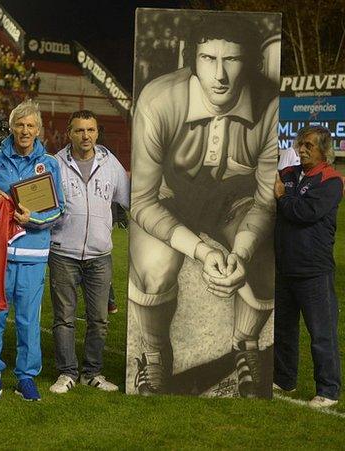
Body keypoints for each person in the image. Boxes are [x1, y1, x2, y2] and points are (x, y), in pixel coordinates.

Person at [129, 14, 278, 397]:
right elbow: (142, 200)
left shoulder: (270, 107)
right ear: (191, 58)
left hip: (233, 204)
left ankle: (245, 344)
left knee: (267, 257)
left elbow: (265, 200)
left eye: (232, 60)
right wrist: (199, 249)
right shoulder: (159, 100)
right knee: (154, 267)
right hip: (169, 201)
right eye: (209, 58)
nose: (220, 74)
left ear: (251, 63)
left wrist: (240, 253)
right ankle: (156, 354)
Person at [0, 100, 64, 401]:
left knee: (28, 321)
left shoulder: (50, 164)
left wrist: (34, 219)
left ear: (38, 130)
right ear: (11, 127)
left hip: (33, 256)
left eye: (30, 126)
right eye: (20, 125)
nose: (25, 131)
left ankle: (26, 377)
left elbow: (59, 209)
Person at [48, 110, 129, 394]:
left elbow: (129, 198)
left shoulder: (111, 164)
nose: (86, 136)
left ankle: (92, 373)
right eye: (80, 130)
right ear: (69, 133)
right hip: (63, 253)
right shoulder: (54, 164)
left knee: (99, 320)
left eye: (91, 130)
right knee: (64, 319)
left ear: (97, 132)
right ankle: (66, 373)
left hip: (99, 255)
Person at [273, 125, 343, 408]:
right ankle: (285, 380)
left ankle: (328, 390)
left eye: (308, 146)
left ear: (324, 151)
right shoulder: (288, 174)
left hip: (314, 270)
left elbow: (305, 212)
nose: (301, 150)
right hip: (285, 266)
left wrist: (281, 197)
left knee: (321, 332)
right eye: (300, 144)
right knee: (284, 329)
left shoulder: (331, 180)